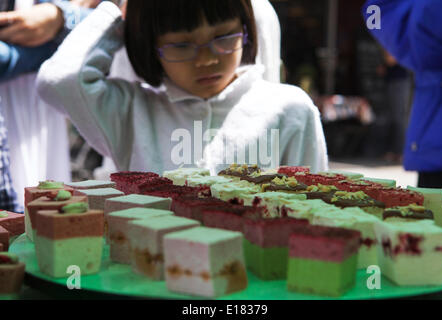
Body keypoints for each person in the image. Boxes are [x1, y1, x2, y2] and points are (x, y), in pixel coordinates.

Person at [37, 0, 328, 176]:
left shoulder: (290, 110)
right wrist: (116, 10)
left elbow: (316, 215)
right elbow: (61, 80)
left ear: (247, 29)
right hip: (151, 277)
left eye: (224, 36)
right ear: (149, 46)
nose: (207, 59)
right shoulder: (130, 114)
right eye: (181, 45)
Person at [0, 1, 94, 211]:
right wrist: (56, 46)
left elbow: (115, 22)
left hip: (45, 111)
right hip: (11, 107)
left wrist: (60, 17)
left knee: (50, 213)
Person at [363, 0, 442, 206]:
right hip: (436, 141)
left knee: (398, 114)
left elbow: (374, 13)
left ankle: (395, 149)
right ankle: (395, 149)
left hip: (438, 146)